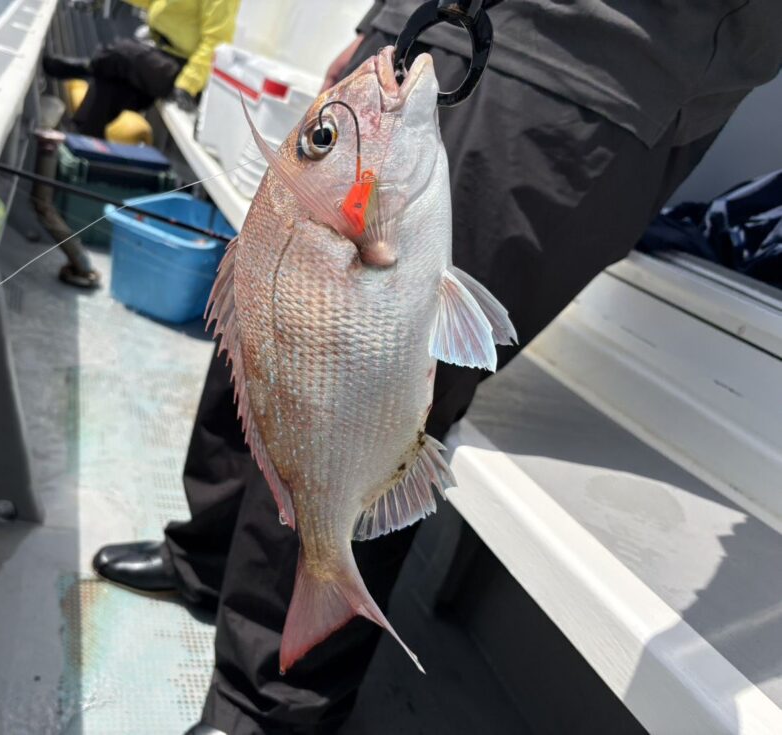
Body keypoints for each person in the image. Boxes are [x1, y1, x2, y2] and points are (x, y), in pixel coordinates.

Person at [92, 2, 782, 733]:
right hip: (435, 18)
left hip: (589, 51)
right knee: (269, 309)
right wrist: (384, 17)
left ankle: (268, 705)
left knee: (380, 387)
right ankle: (205, 553)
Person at [43, 0, 239, 137]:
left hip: (186, 73)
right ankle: (82, 141)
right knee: (107, 84)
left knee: (122, 52)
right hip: (163, 56)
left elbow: (217, 41)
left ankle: (86, 67)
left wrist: (188, 85)